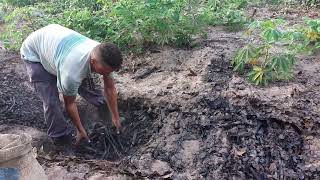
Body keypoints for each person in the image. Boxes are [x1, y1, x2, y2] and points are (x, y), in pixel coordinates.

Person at [20, 24, 123, 146]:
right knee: (51, 102)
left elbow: (110, 87)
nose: (108, 73)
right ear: (93, 61)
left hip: (56, 43)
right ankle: (61, 139)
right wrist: (80, 130)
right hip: (35, 54)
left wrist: (115, 117)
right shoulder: (72, 73)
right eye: (106, 70)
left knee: (88, 85)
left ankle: (104, 113)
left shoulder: (102, 53)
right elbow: (70, 103)